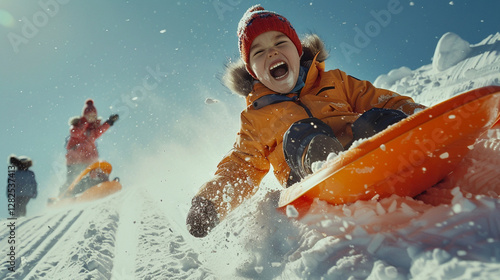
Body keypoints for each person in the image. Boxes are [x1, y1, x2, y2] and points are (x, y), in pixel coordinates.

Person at [186, 5, 427, 238]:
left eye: (280, 43)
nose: (271, 52)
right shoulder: (256, 118)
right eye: (258, 52)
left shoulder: (335, 80)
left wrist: (420, 114)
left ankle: (409, 145)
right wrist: (210, 204)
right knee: (302, 132)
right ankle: (324, 164)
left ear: (298, 51)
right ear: (252, 72)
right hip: (307, 177)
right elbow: (242, 167)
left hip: (361, 149)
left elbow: (382, 99)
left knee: (376, 117)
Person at [63, 99, 118, 194]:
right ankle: (66, 194)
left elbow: (100, 130)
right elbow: (76, 133)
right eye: (90, 115)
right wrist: (85, 123)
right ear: (85, 116)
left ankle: (101, 185)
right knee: (73, 179)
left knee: (94, 175)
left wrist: (109, 122)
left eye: (94, 116)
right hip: (75, 161)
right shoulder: (76, 127)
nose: (92, 118)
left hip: (89, 159)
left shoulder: (92, 131)